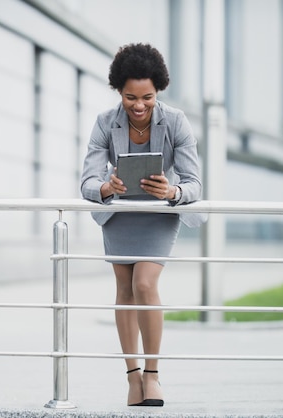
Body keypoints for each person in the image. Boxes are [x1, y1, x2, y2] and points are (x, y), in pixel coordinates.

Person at [80, 43, 204, 407]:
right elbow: (87, 181)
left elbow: (194, 183)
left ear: (159, 90)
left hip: (158, 213)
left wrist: (173, 190)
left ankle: (152, 376)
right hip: (119, 212)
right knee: (124, 289)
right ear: (119, 91)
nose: (138, 105)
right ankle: (132, 378)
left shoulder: (177, 121)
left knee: (144, 284)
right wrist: (106, 186)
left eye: (147, 97)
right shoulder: (105, 122)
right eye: (130, 97)